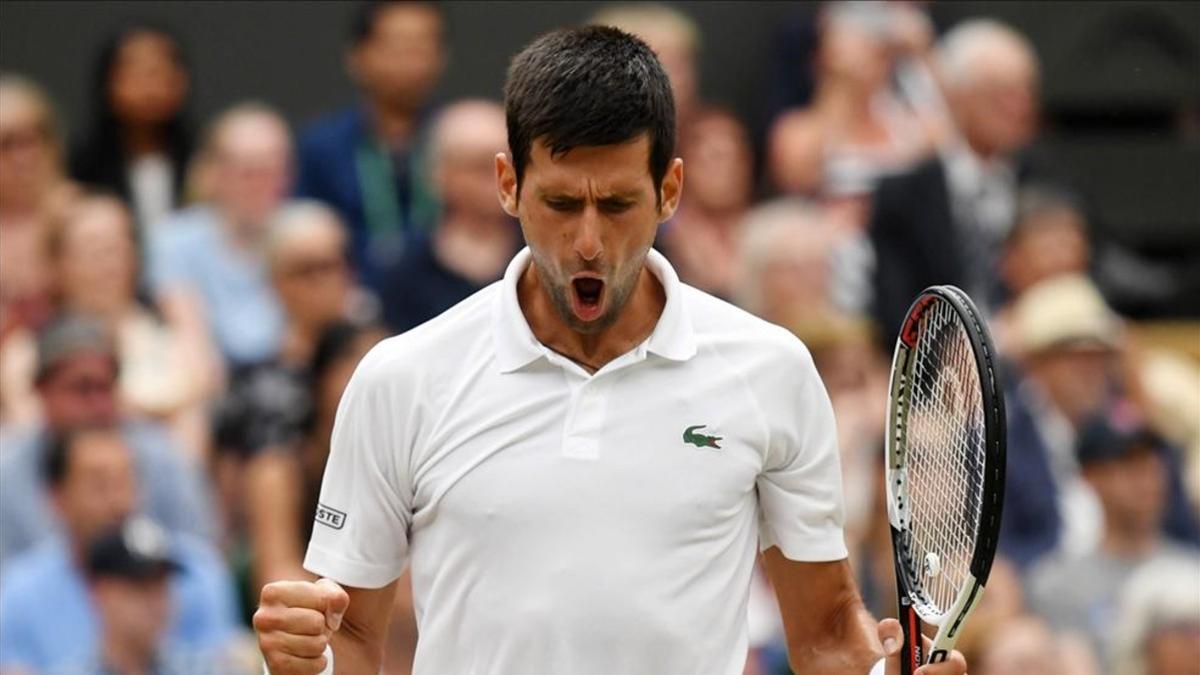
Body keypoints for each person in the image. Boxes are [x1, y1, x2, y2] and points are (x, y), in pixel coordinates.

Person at [253, 27, 968, 675]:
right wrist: (299, 664)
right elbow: (348, 638)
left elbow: (825, 637)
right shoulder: (400, 378)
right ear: (509, 185)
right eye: (561, 204)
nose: (589, 242)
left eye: (618, 204)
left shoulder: (771, 371)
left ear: (670, 189)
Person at [0, 427, 238, 672]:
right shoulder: (18, 591)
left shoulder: (197, 569)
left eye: (126, 481)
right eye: (99, 485)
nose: (119, 502)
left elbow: (222, 660)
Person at [869, 19, 1044, 348]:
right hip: (942, 369)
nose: (1019, 107)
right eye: (1002, 94)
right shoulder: (904, 195)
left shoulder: (1049, 183)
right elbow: (894, 311)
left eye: (1026, 92)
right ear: (955, 96)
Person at [0, 314, 215, 572]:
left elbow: (201, 563)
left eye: (106, 388)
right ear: (41, 391)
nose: (98, 406)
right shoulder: (7, 472)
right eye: (82, 389)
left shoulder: (163, 459)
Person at [1027, 403, 1200, 659]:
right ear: (1090, 477)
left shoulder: (1192, 570)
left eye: (1153, 462)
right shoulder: (1055, 584)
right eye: (1128, 463)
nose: (1146, 477)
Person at [295, 0, 446, 294]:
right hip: (351, 304)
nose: (412, 61)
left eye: (424, 46)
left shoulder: (462, 143)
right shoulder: (322, 147)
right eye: (397, 46)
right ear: (357, 56)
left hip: (451, 302)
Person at [149, 102, 292, 368]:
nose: (260, 185)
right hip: (212, 381)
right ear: (215, 173)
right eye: (248, 173)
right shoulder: (174, 239)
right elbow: (188, 336)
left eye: (271, 172)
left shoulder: (306, 234)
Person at [382, 100, 520, 333]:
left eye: (511, 165)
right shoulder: (403, 271)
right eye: (479, 166)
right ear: (439, 173)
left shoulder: (542, 257)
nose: (498, 180)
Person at [0, 74, 77, 425]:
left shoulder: (82, 215)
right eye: (7, 143)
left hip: (74, 363)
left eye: (34, 139)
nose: (23, 156)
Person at [69, 24, 193, 237]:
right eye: (136, 72)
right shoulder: (82, 165)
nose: (150, 86)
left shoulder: (201, 158)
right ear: (108, 82)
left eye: (160, 71)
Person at [655, 107, 755, 299]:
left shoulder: (768, 232)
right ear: (682, 167)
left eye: (736, 158)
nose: (727, 170)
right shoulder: (660, 237)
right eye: (714, 158)